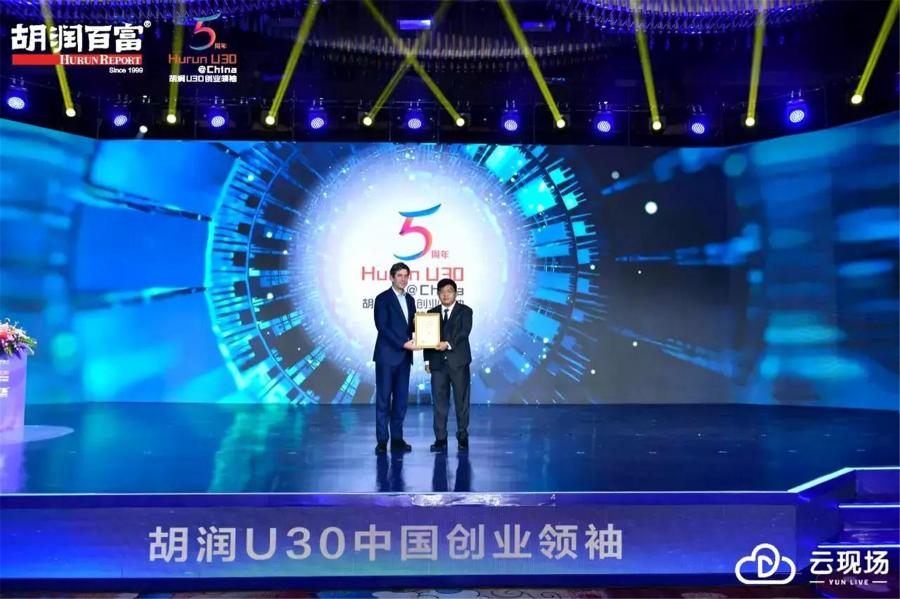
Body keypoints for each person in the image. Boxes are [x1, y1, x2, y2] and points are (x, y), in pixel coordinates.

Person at [372, 262, 417, 454]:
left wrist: (422, 335)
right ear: (391, 277)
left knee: (400, 400)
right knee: (383, 400)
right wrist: (403, 343)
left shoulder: (410, 299)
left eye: (406, 275)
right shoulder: (382, 298)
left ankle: (397, 439)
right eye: (400, 275)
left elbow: (412, 326)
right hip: (386, 357)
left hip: (405, 358)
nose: (403, 279)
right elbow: (382, 326)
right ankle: (382, 441)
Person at [423, 278, 472, 453]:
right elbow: (426, 339)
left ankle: (462, 436)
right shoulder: (431, 313)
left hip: (458, 362)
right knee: (439, 403)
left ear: (455, 293)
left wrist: (448, 344)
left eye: (449, 291)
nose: (445, 294)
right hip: (437, 364)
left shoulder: (465, 311)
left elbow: (464, 332)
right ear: (438, 294)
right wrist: (427, 360)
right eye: (442, 291)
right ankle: (440, 439)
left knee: (461, 401)